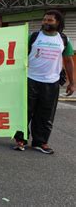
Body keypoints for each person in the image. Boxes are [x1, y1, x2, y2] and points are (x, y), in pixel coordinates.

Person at [13, 10, 74, 154]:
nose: (46, 22)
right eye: (44, 20)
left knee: (45, 114)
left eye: (50, 20)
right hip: (30, 80)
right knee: (24, 112)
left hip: (51, 83)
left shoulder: (63, 40)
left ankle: (40, 142)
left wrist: (73, 83)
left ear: (57, 22)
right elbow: (18, 54)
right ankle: (20, 140)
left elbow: (69, 61)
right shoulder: (33, 37)